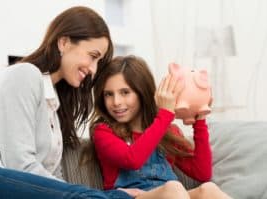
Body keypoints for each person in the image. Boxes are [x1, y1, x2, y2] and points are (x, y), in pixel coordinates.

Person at [0, 6, 133, 199]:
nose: (94, 69)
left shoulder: (53, 106)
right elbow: (19, 165)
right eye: (93, 56)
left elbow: (50, 178)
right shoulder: (24, 74)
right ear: (63, 42)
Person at [84, 55, 233, 198]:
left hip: (172, 196)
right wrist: (165, 115)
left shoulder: (166, 132)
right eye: (108, 94)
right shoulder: (103, 131)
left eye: (125, 92)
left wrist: (199, 120)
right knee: (173, 188)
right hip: (131, 197)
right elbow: (133, 160)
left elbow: (202, 173)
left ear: (142, 92)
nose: (116, 102)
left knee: (208, 190)